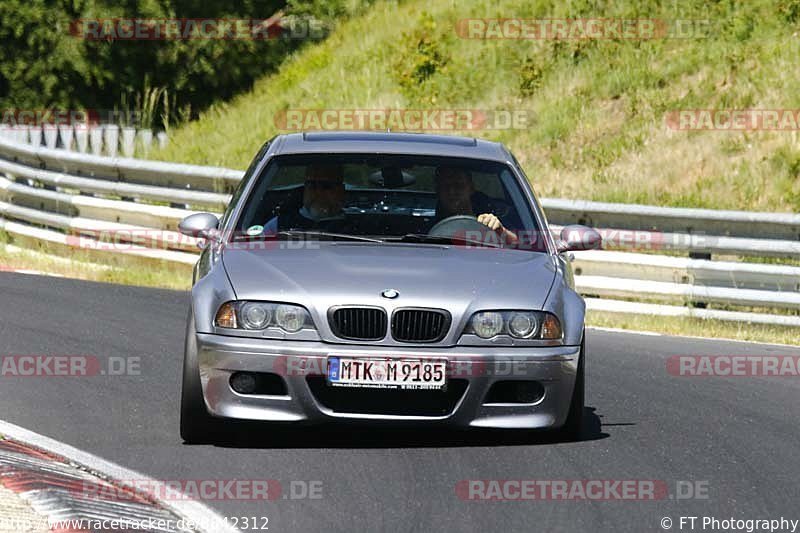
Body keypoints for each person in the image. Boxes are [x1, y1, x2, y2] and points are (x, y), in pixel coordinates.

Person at [432, 166, 518, 245]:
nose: (452, 192)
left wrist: (500, 231)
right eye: (445, 186)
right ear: (438, 191)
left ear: (471, 188)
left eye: (458, 185)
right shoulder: (421, 230)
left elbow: (520, 245)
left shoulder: (490, 221)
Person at [262, 163, 348, 234]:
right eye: (312, 186)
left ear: (341, 191)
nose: (318, 192)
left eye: (326, 186)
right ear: (305, 189)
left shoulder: (358, 228)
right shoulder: (278, 226)